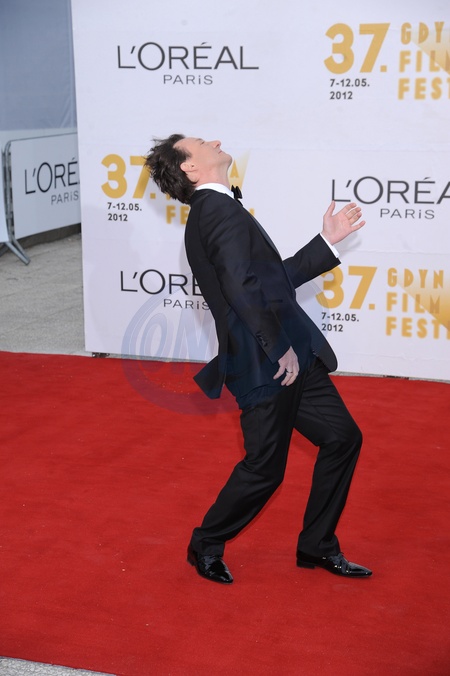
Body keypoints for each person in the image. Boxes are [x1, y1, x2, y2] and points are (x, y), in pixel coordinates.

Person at [144, 134, 372, 584]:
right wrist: (276, 345)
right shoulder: (215, 210)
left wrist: (326, 243)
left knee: (342, 437)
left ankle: (317, 544)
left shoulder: (220, 207)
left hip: (291, 351)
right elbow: (238, 285)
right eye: (200, 142)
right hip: (268, 360)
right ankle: (206, 543)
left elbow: (269, 280)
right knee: (265, 468)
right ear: (190, 167)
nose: (215, 141)